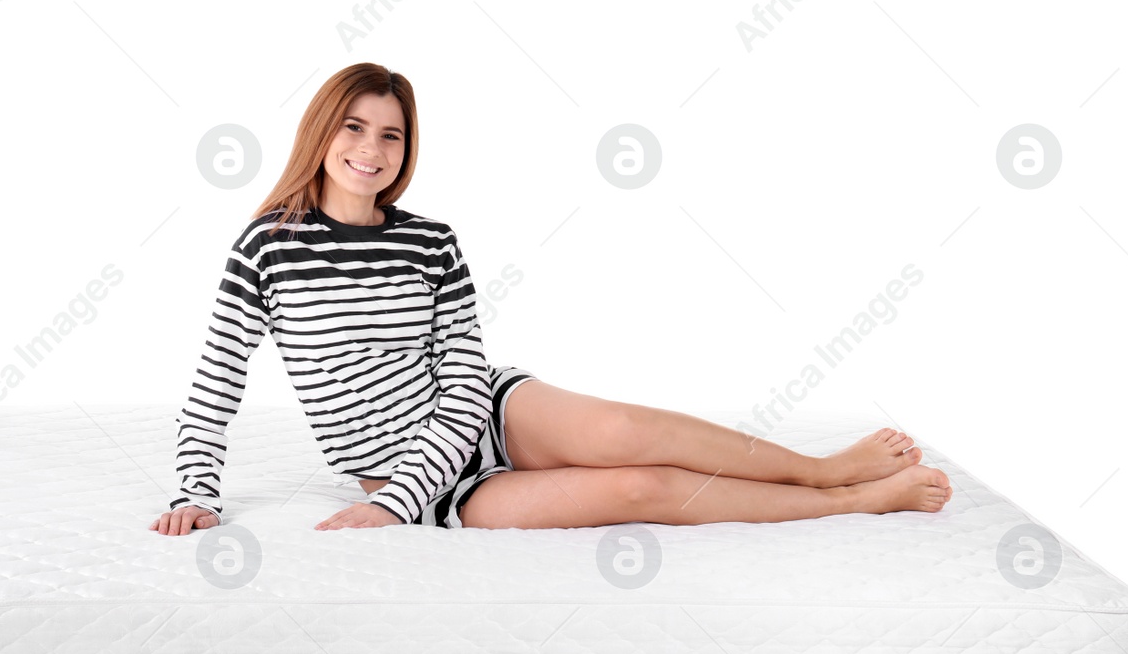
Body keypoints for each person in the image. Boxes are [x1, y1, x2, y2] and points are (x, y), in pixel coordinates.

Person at [151, 63, 951, 535]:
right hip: (419, 480)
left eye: (390, 135)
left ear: (407, 149)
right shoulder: (268, 246)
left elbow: (465, 379)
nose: (370, 149)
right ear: (323, 132)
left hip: (487, 412)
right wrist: (198, 490)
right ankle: (856, 501)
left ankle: (822, 471)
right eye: (355, 128)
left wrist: (406, 491)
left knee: (625, 428)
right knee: (642, 487)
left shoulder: (430, 239)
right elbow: (217, 379)